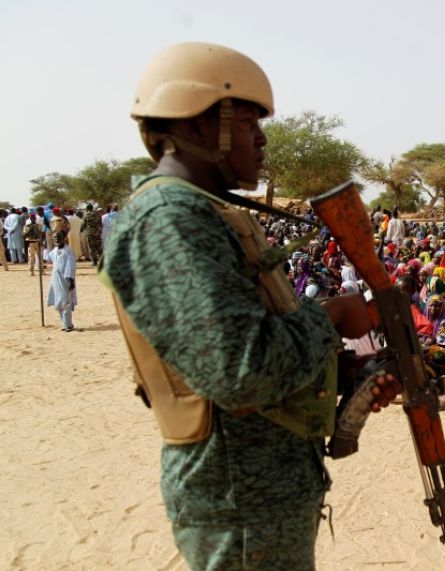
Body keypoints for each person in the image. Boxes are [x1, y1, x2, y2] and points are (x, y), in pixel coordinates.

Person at [103, 43, 400, 570]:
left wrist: (343, 371)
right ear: (197, 126)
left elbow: (255, 342)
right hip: (240, 501)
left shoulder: (211, 214)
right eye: (247, 125)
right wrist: (332, 317)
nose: (262, 142)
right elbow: (241, 371)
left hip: (263, 493)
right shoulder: (171, 219)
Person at [46, 230, 77, 332]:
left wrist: (71, 280)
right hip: (55, 278)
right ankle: (65, 323)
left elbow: (71, 267)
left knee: (66, 301)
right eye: (54, 238)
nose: (56, 239)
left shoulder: (68, 251)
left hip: (65, 279)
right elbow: (47, 257)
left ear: (63, 238)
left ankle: (67, 325)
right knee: (58, 301)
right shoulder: (54, 251)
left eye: (58, 237)